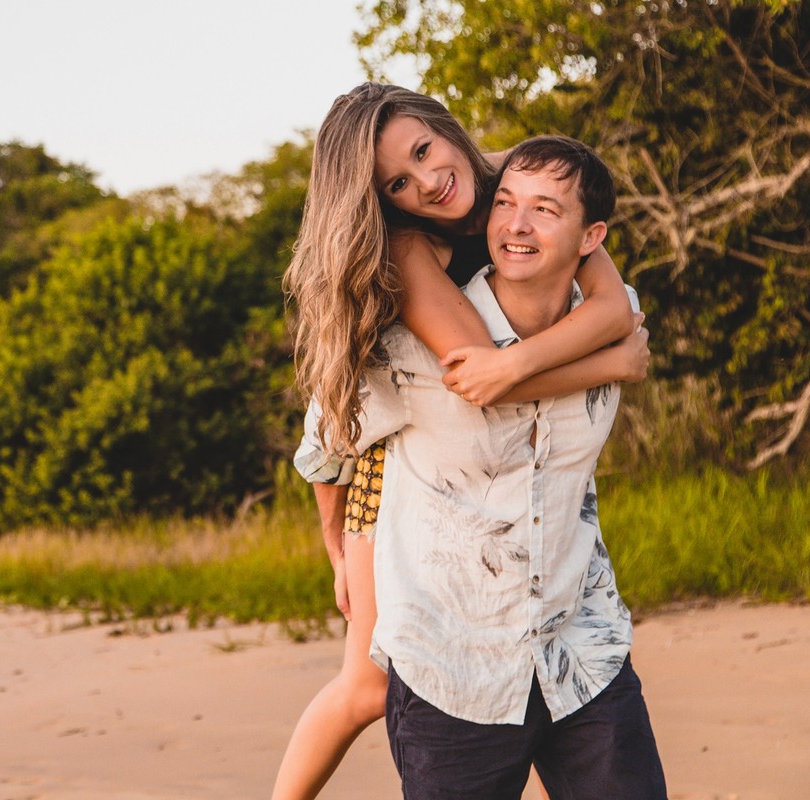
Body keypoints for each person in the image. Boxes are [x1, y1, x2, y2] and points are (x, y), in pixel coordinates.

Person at [274, 83, 650, 799]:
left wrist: (603, 343)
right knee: (363, 686)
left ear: (444, 126)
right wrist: (336, 553)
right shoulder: (411, 246)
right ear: (383, 199)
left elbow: (606, 302)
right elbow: (479, 375)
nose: (428, 181)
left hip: (477, 478)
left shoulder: (522, 178)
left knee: (369, 682)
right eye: (399, 183)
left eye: (424, 150)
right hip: (377, 463)